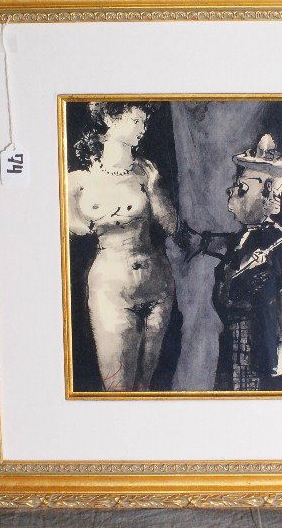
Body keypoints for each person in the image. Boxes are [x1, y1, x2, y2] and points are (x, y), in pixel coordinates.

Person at [68, 102, 176, 391]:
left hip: (158, 286)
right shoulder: (79, 180)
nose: (143, 128)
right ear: (109, 118)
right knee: (118, 388)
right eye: (136, 121)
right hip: (112, 290)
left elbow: (171, 225)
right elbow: (75, 228)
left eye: (145, 122)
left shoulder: (147, 172)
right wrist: (105, 218)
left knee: (145, 386)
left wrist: (154, 190)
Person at [180, 133, 282, 390]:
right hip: (231, 338)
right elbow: (217, 248)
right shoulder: (242, 237)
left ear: (268, 194)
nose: (232, 192)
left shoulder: (278, 241)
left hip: (255, 344)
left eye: (243, 188)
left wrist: (256, 276)